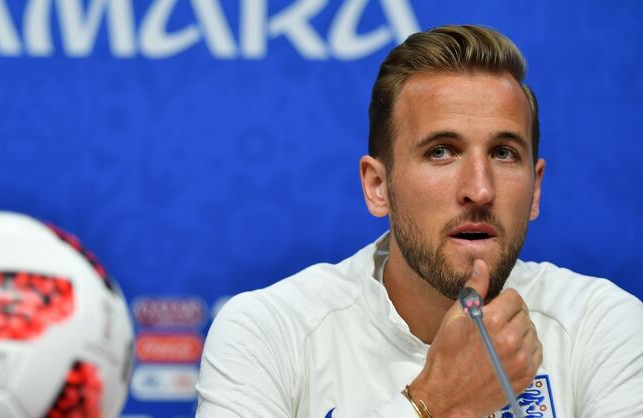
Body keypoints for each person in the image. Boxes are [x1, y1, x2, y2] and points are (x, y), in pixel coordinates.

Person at [195, 25, 643, 417]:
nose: (480, 190)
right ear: (377, 186)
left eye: (504, 153)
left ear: (536, 189)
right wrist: (436, 403)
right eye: (441, 152)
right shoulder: (268, 332)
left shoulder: (602, 328)